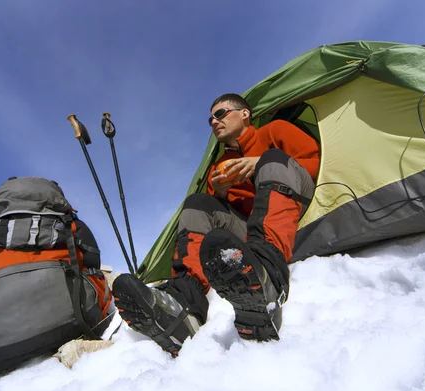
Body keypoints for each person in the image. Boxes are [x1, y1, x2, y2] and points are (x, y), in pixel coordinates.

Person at [112, 93, 320, 355]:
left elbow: (315, 165)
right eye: (210, 118)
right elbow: (214, 222)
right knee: (198, 203)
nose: (213, 121)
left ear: (244, 113)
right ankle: (184, 305)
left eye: (220, 114)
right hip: (253, 232)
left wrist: (261, 163)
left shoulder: (275, 131)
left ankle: (269, 281)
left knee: (273, 159)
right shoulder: (221, 164)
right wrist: (219, 193)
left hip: (298, 207)